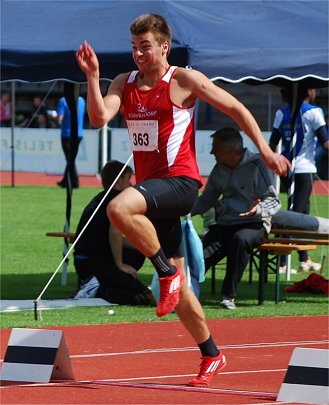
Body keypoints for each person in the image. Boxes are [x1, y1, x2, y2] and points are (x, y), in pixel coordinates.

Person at [76, 13, 290, 387]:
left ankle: (165, 272)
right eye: (133, 48)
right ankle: (212, 353)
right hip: (153, 195)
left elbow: (236, 108)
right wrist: (93, 77)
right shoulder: (124, 82)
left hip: (181, 184)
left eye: (146, 47)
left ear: (164, 46)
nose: (139, 55)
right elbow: (98, 118)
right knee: (182, 293)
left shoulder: (183, 81)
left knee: (116, 206)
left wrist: (266, 152)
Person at [191, 127, 281, 309]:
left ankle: (227, 296)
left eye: (215, 148)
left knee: (240, 240)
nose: (211, 152)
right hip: (226, 224)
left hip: (255, 225)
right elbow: (208, 198)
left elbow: (273, 201)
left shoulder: (257, 166)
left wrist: (257, 210)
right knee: (200, 253)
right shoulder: (219, 169)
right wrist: (184, 212)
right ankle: (187, 292)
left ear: (231, 151)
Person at [73, 160, 154, 305]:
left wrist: (150, 248)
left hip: (85, 260)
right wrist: (120, 265)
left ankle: (98, 287)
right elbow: (115, 233)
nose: (131, 184)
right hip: (95, 263)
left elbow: (115, 238)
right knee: (144, 296)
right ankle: (94, 289)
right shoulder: (118, 200)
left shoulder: (100, 197)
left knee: (140, 292)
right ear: (118, 181)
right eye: (128, 179)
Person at [270, 87, 328, 272]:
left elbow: (273, 142)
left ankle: (304, 258)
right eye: (312, 89)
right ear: (308, 93)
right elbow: (325, 142)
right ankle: (282, 261)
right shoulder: (313, 112)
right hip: (304, 169)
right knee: (296, 213)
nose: (315, 92)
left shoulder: (281, 112)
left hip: (288, 167)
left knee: (303, 211)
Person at [56, 95, 86, 189]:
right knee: (71, 158)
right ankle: (65, 180)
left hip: (67, 134)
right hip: (79, 133)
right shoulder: (81, 100)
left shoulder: (63, 100)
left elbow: (60, 118)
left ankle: (74, 182)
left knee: (70, 159)